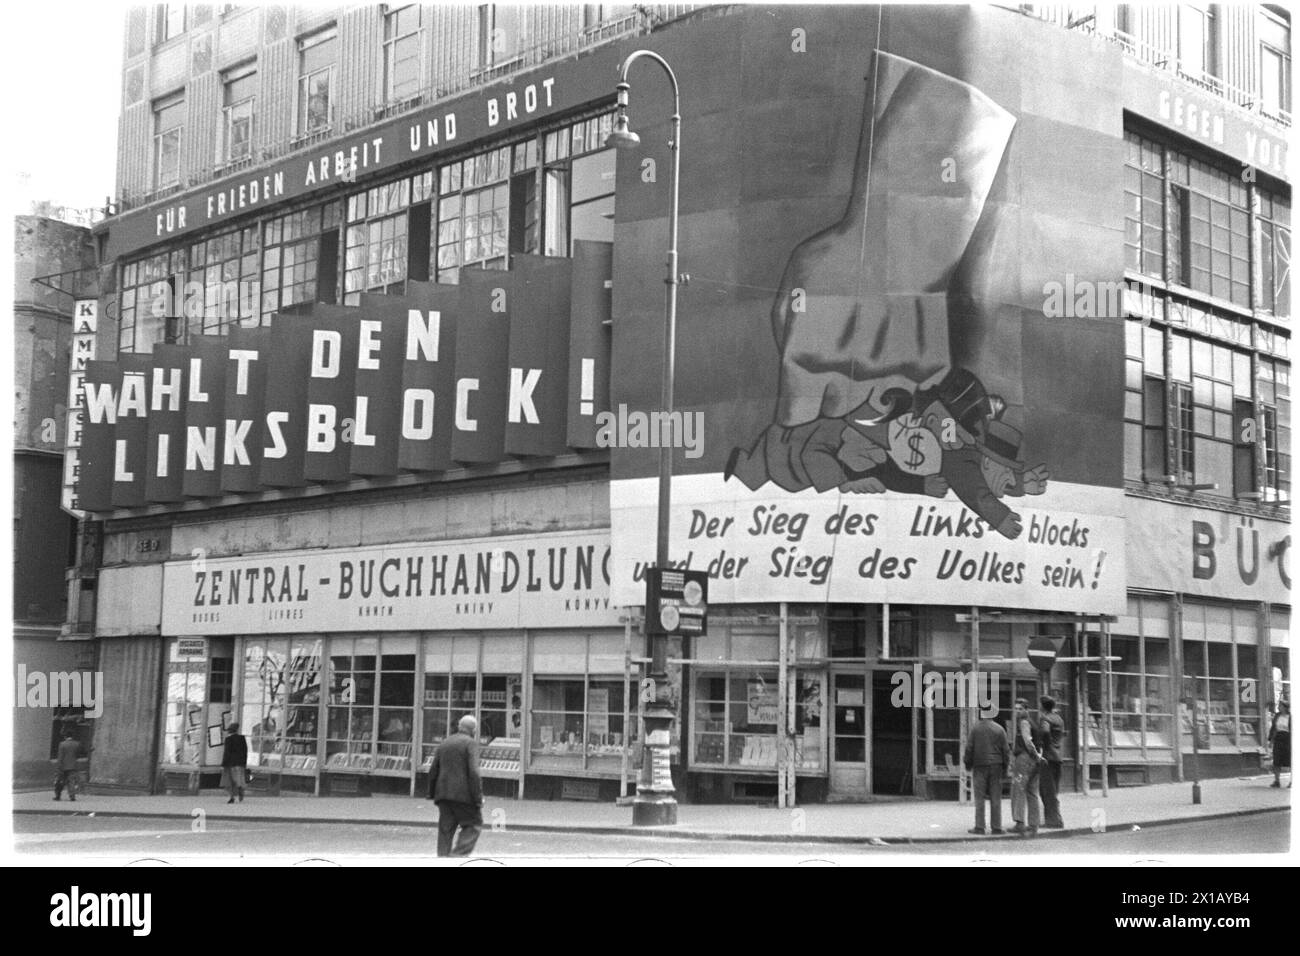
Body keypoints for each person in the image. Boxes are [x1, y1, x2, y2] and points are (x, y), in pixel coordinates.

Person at [427, 714, 484, 857]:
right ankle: (457, 856)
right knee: (473, 824)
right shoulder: (470, 744)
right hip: (463, 796)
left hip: (443, 795)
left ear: (459, 727)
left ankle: (443, 858)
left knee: (445, 830)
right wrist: (478, 797)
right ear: (474, 730)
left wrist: (431, 792)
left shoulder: (445, 742)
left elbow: (433, 770)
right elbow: (474, 772)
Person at [963, 710, 1011, 834]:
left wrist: (967, 763)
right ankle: (996, 827)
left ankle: (979, 826)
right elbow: (1005, 750)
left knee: (979, 797)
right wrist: (1005, 766)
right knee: (996, 797)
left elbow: (969, 748)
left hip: (979, 764)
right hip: (996, 765)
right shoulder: (1000, 729)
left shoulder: (975, 729)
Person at [1010, 698, 1045, 836]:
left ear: (1026, 710)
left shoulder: (1024, 722)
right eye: (1016, 708)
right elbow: (1038, 742)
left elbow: (1028, 742)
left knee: (1018, 790)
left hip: (1024, 759)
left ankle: (1019, 823)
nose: (1017, 711)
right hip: (1033, 761)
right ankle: (1034, 824)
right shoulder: (1033, 722)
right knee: (1032, 792)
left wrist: (1035, 755)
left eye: (1020, 709)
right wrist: (1038, 757)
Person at [1038, 695, 1066, 828]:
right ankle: (1056, 819)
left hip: (1048, 758)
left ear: (1043, 706)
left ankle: (1053, 821)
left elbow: (1044, 731)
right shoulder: (1059, 719)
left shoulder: (1046, 718)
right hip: (1058, 756)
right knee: (1053, 790)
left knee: (1046, 791)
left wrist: (1044, 746)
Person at [222, 722, 249, 804]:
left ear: (230, 731)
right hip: (240, 763)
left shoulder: (228, 740)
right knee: (240, 778)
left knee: (230, 781)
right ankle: (240, 787)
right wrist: (244, 762)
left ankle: (232, 797)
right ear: (237, 730)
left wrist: (224, 764)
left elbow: (227, 752)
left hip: (231, 763)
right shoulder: (242, 738)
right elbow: (245, 751)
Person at [53, 731, 81, 802]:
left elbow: (60, 756)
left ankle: (58, 795)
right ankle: (72, 796)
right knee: (71, 782)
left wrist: (58, 767)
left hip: (63, 766)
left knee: (60, 781)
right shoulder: (76, 744)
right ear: (72, 736)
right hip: (73, 766)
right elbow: (78, 754)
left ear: (65, 736)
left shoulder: (62, 744)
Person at [1269, 699, 1291, 789]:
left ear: (1285, 707)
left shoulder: (1291, 716)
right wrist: (1271, 740)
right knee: (1276, 760)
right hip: (1278, 738)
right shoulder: (1277, 716)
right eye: (1279, 706)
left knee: (1290, 761)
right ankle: (1277, 781)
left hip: (1288, 739)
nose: (1279, 707)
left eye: (1280, 706)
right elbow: (1274, 728)